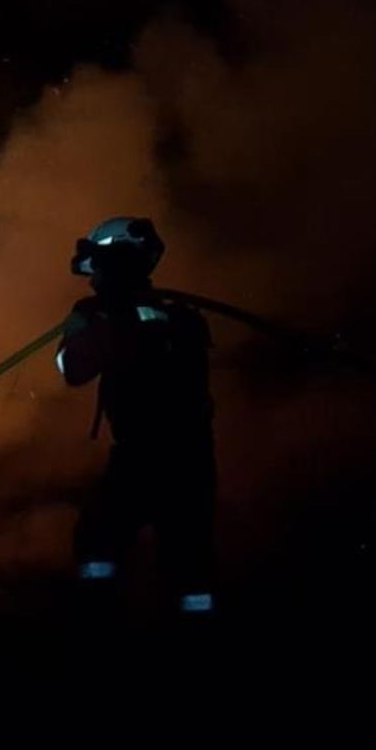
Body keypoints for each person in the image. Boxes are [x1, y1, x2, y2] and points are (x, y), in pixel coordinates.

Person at [56, 217, 217, 616]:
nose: (92, 283)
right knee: (188, 563)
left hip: (148, 458)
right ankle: (199, 635)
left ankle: (99, 621)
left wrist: (85, 329)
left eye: (99, 270)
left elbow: (73, 370)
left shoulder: (119, 319)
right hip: (192, 460)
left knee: (98, 539)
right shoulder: (182, 317)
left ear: (117, 264)